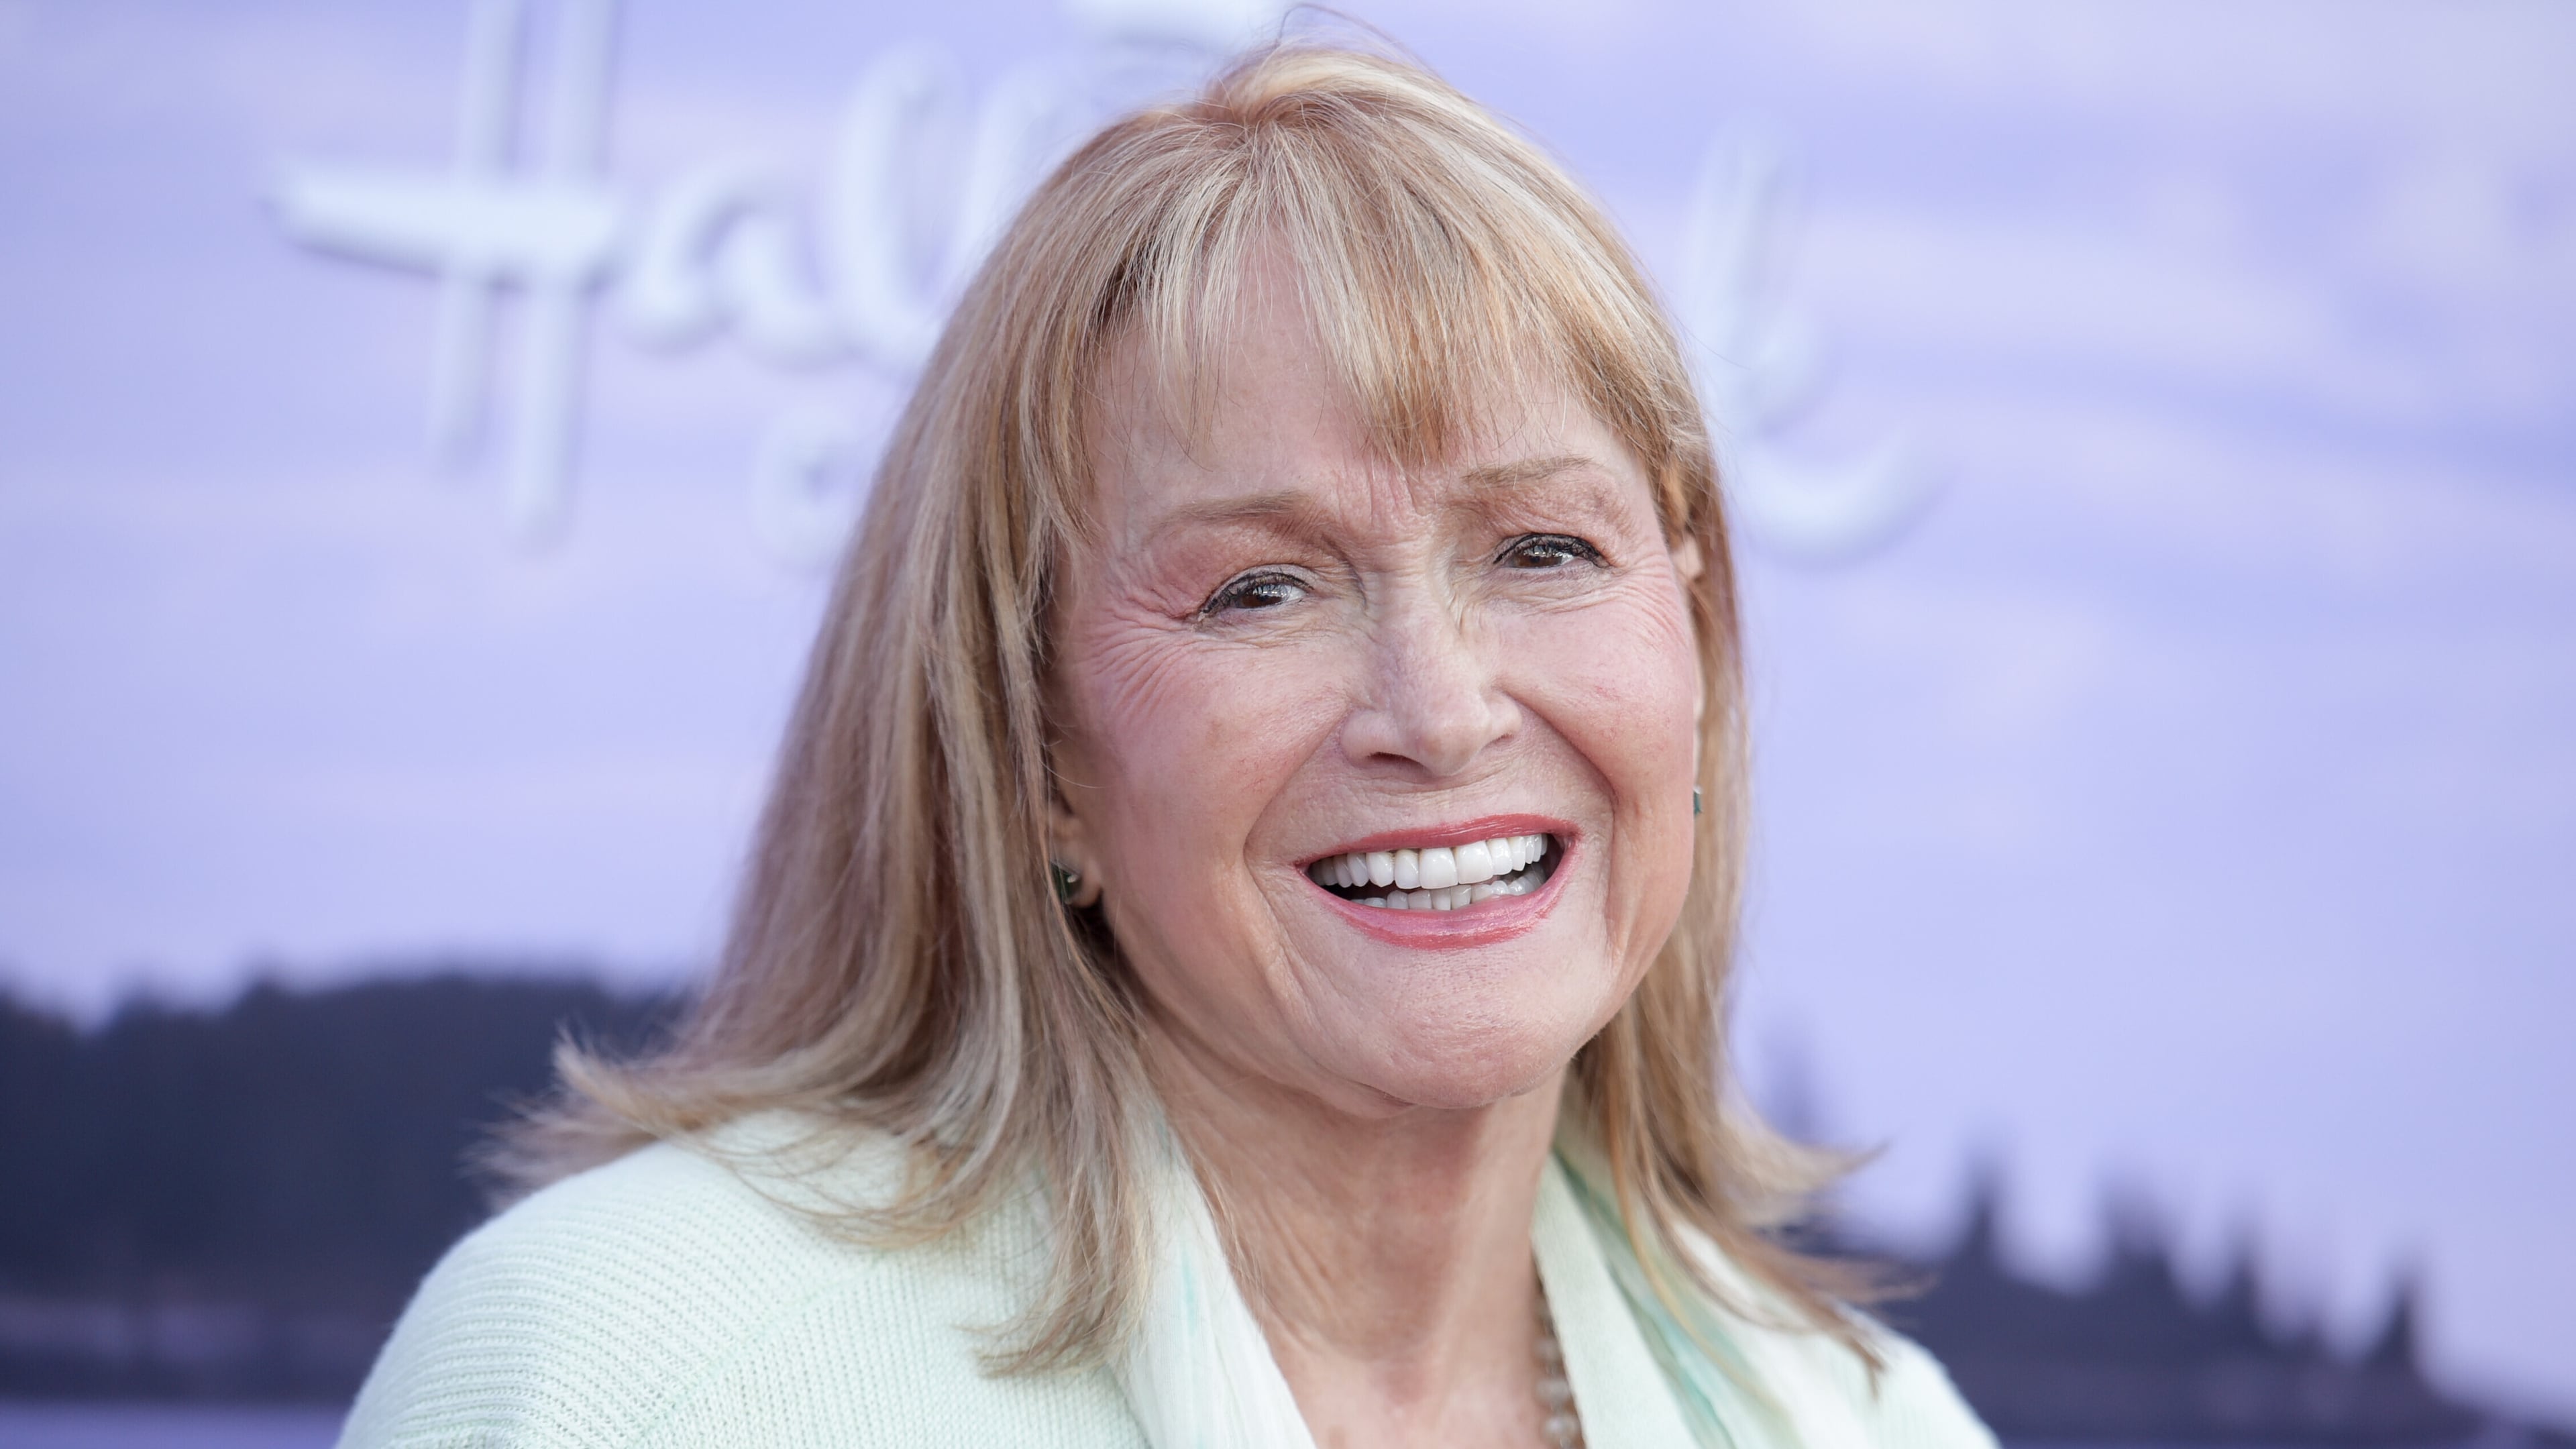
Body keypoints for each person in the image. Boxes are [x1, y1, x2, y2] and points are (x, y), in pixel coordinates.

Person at [339, 42, 1994, 1449]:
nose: (1440, 711)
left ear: (1692, 631)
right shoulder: (631, 1379)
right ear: (1036, 753)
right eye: (1259, 588)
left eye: (1544, 551)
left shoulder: (1860, 1424)